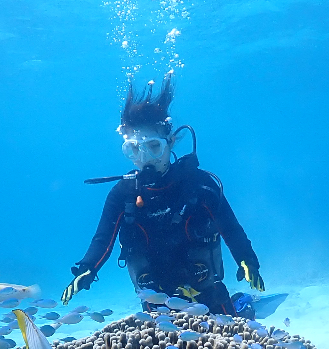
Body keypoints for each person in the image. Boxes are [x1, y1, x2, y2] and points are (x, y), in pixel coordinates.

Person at [61, 74, 265, 316]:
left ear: (171, 142)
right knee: (163, 338)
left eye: (154, 147)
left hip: (206, 291)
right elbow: (102, 239)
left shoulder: (199, 185)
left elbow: (231, 229)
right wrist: (87, 268)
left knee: (230, 330)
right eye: (134, 149)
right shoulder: (123, 194)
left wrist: (247, 259)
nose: (145, 158)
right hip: (156, 300)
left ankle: (244, 304)